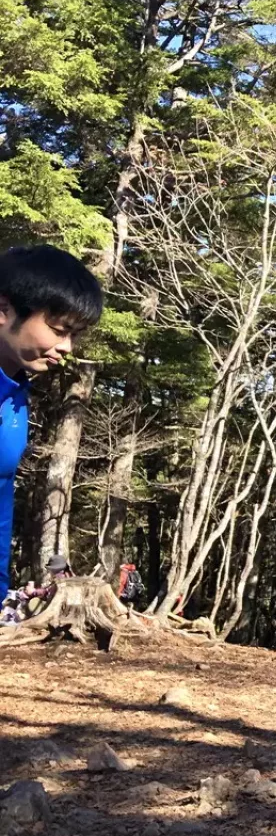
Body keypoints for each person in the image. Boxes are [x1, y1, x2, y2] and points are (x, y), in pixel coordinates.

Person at [0, 246, 103, 600]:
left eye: (74, 335)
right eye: (59, 329)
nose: (67, 347)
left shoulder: (15, 397)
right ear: (3, 309)